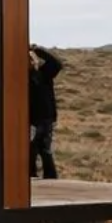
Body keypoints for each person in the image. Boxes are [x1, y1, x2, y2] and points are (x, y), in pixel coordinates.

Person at [28, 44, 64, 180]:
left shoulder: (44, 74)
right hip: (31, 119)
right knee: (31, 148)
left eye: (32, 59)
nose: (31, 62)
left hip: (46, 119)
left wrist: (37, 50)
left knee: (45, 149)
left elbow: (57, 64)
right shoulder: (21, 78)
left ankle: (50, 177)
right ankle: (30, 176)